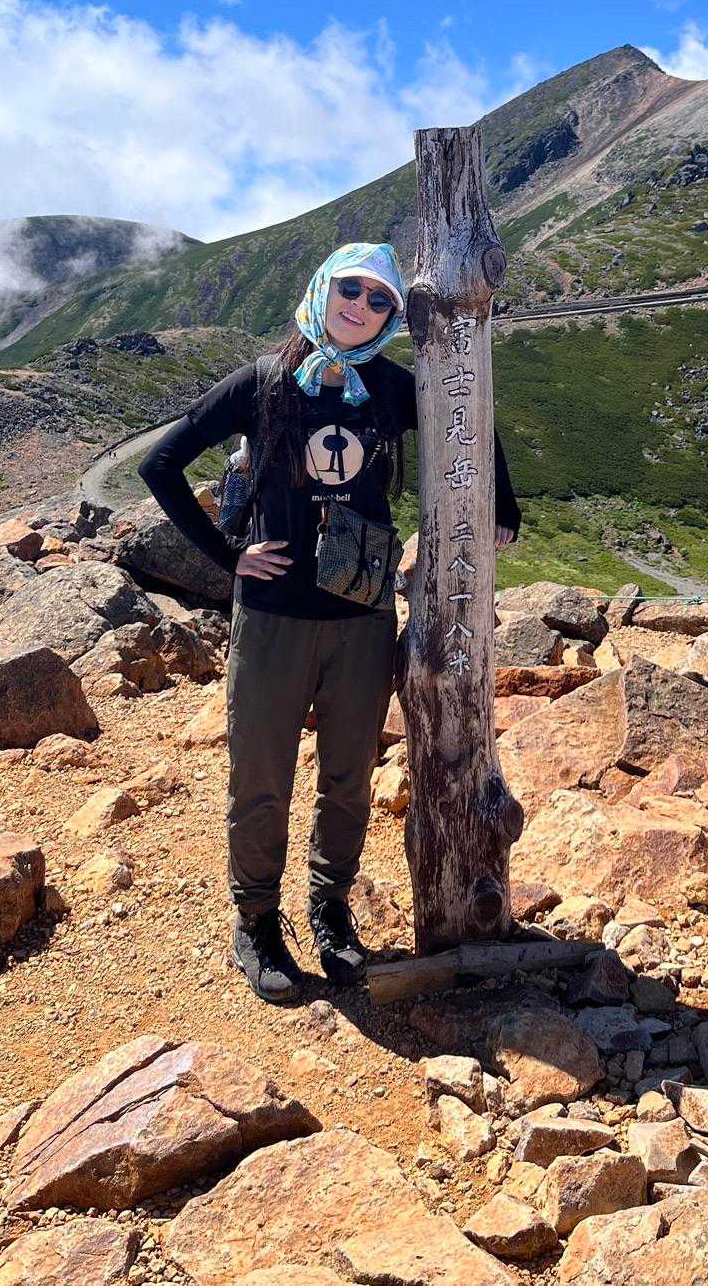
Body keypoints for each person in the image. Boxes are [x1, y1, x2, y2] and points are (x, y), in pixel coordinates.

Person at [137, 240, 521, 1003]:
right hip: (274, 618)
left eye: (380, 300)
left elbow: (469, 424)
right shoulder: (263, 382)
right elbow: (161, 462)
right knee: (261, 778)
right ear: (322, 288)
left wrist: (501, 505)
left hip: (360, 616)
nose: (361, 307)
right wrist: (227, 557)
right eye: (351, 289)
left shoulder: (389, 386)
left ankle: (330, 908)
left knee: (348, 779)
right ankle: (256, 922)